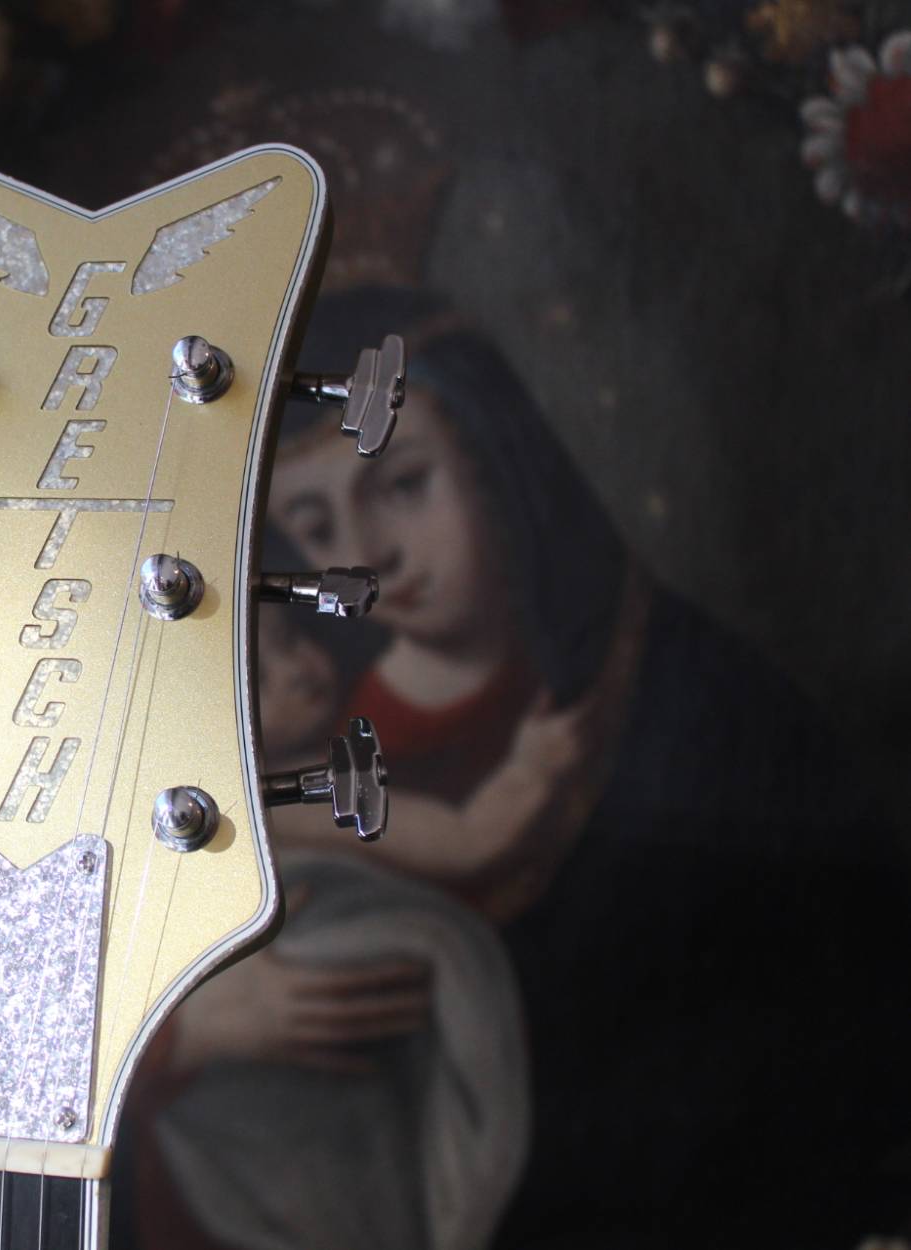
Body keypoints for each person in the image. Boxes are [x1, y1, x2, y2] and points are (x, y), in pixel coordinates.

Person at [126, 287, 911, 1250]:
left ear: (500, 465)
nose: (368, 552)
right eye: (316, 528)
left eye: (403, 485)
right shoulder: (335, 751)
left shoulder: (684, 693)